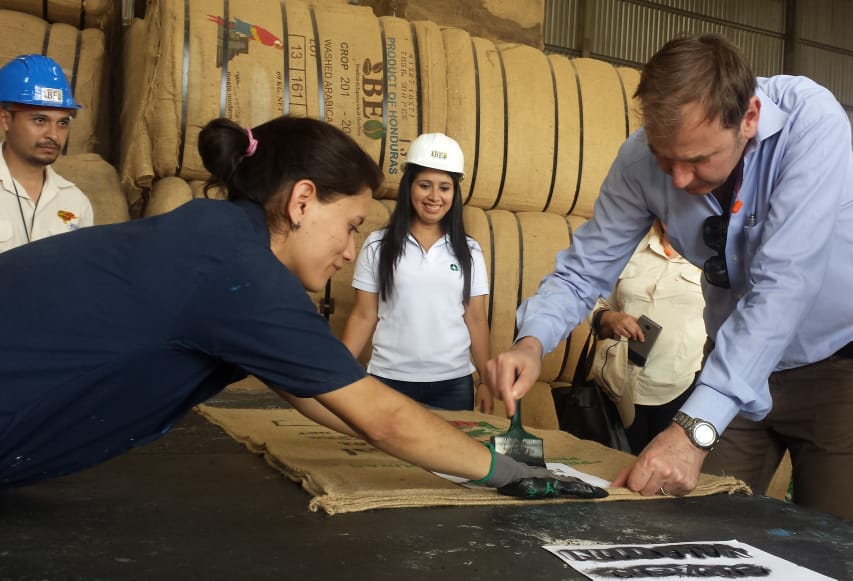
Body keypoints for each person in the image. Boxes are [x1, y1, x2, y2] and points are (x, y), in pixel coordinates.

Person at [0, 115, 604, 501]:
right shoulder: (242, 273)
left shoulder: (218, 236)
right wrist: (510, 474)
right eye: (350, 226)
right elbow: (381, 420)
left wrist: (450, 437)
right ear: (302, 201)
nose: (350, 250)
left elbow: (317, 394)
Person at [486, 33, 853, 527]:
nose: (679, 181)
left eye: (698, 160)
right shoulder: (639, 161)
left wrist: (692, 431)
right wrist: (532, 342)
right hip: (733, 360)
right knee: (694, 525)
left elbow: (783, 285)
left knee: (834, 543)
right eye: (666, 158)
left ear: (749, 117)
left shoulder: (810, 122)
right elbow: (585, 269)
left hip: (843, 366)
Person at [342, 133, 492, 413]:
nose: (434, 197)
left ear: (455, 193)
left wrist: (485, 380)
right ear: (409, 186)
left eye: (444, 188)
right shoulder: (378, 245)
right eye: (425, 185)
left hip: (453, 384)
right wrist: (337, 376)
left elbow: (476, 318)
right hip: (389, 379)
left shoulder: (469, 250)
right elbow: (363, 315)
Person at [590, 219, 706, 454]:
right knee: (613, 463)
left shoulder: (711, 258)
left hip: (680, 388)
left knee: (661, 468)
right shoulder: (631, 247)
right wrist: (612, 318)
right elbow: (599, 306)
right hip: (618, 384)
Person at [0, 54, 93, 253]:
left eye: (62, 123)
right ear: (5, 120)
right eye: (40, 120)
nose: (53, 135)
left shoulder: (76, 202)